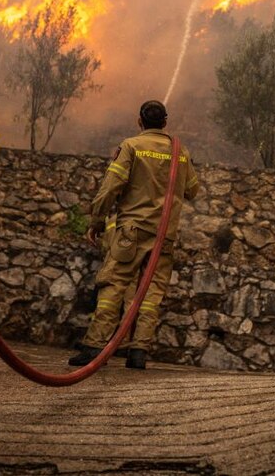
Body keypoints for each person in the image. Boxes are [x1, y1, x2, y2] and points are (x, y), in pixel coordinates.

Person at [68, 101, 200, 370]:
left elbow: (111, 187)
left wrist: (96, 219)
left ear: (140, 121)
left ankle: (94, 347)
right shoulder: (180, 151)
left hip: (131, 232)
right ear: (165, 121)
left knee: (113, 285)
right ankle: (138, 352)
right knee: (152, 295)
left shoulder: (131, 146)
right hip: (164, 236)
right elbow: (192, 190)